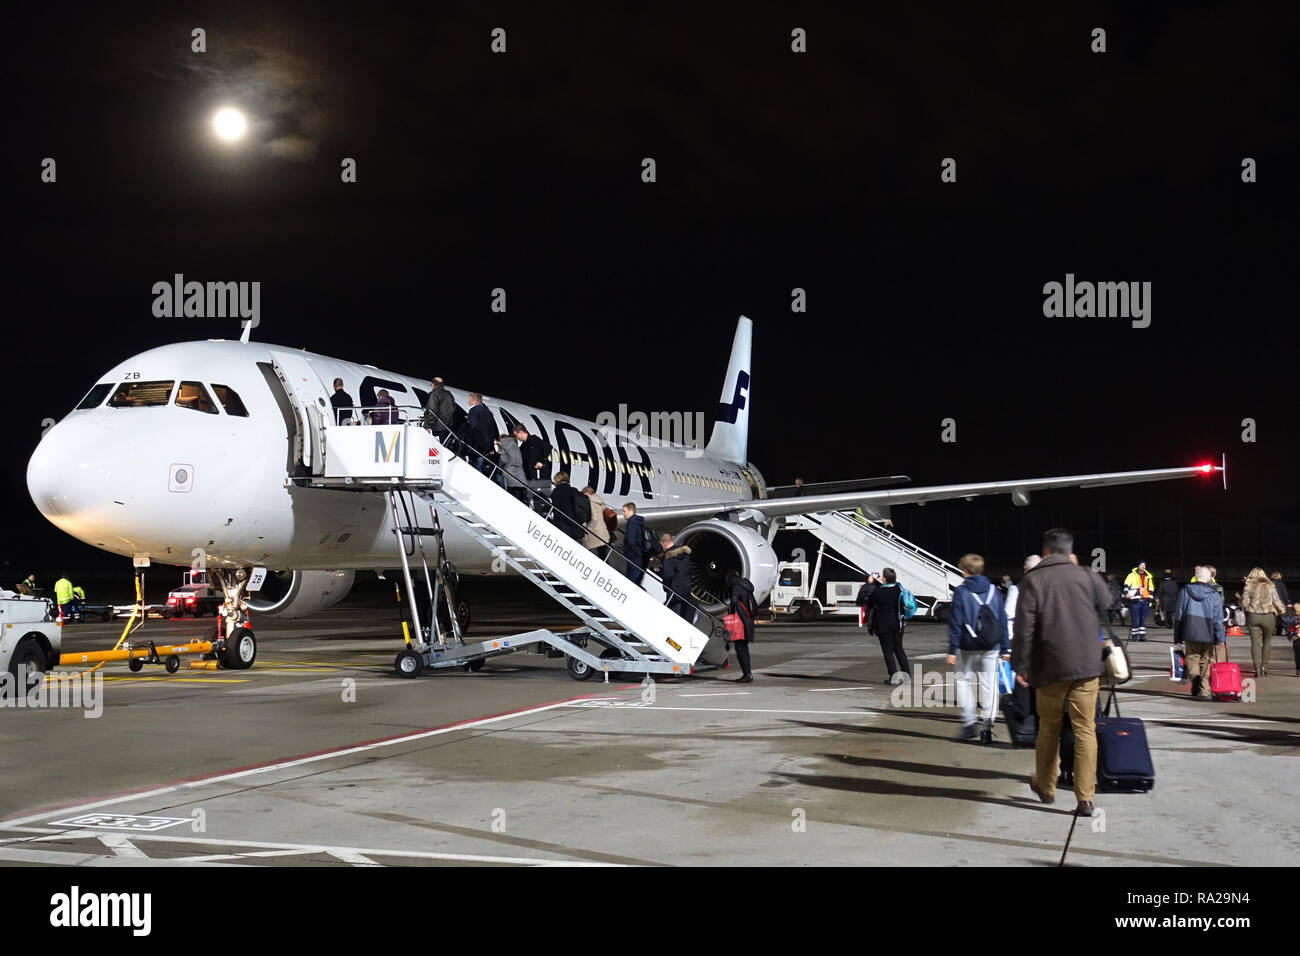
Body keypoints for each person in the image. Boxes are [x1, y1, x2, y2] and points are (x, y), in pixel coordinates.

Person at [1012, 528, 1110, 817]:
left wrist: (1021, 665)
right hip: (1087, 666)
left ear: (1045, 552)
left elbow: (1024, 628)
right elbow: (1106, 603)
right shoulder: (1086, 575)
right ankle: (1085, 798)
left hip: (1050, 667)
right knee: (1085, 730)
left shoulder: (1033, 580)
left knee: (1049, 728)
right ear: (1070, 551)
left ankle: (1046, 785)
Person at [947, 554, 1011, 741]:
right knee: (989, 685)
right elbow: (1003, 620)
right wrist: (1006, 648)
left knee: (963, 681)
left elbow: (956, 622)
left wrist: (952, 650)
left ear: (965, 570)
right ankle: (987, 728)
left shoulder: (961, 591)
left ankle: (969, 722)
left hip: (968, 645)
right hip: (991, 645)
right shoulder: (994, 590)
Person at [1175, 566, 1226, 698]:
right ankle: (1204, 688)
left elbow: (1179, 615)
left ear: (1197, 577)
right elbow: (1218, 619)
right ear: (1209, 578)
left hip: (1190, 629)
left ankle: (1195, 679)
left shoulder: (1185, 591)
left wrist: (1177, 637)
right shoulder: (1214, 594)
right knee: (1206, 660)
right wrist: (1220, 638)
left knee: (1192, 657)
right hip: (1208, 631)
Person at [1240, 566, 1286, 677]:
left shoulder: (1248, 586)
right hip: (1268, 616)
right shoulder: (1270, 586)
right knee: (1267, 642)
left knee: (1255, 643)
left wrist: (1244, 605)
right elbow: (1277, 601)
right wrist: (1282, 610)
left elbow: (1245, 603)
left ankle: (1257, 669)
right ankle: (1264, 667)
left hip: (1253, 616)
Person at [866, 567, 909, 683]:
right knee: (899, 649)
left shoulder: (878, 592)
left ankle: (893, 678)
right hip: (898, 623)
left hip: (883, 624)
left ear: (884, 578)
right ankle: (907, 676)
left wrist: (870, 584)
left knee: (888, 651)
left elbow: (869, 602)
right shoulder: (899, 590)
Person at [726, 568, 757, 682]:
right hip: (748, 620)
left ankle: (747, 675)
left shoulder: (736, 587)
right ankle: (748, 673)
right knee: (744, 648)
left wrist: (731, 611)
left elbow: (734, 601)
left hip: (740, 622)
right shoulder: (747, 587)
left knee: (740, 649)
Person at [660, 533, 694, 621]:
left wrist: (665, 587)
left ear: (664, 543)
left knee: (671, 618)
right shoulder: (685, 555)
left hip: (674, 593)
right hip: (686, 591)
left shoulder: (669, 557)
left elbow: (668, 575)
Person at [549, 473, 589, 540]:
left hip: (562, 528)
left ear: (557, 480)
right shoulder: (574, 491)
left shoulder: (556, 492)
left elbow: (555, 508)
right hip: (576, 528)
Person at [1123, 561, 1155, 641]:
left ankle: (1142, 636)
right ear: (1138, 566)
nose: (1143, 566)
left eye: (1144, 565)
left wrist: (1150, 600)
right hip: (1136, 600)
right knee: (1135, 618)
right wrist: (1126, 593)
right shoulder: (1131, 575)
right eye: (1141, 565)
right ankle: (1134, 636)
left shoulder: (1148, 576)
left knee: (1143, 619)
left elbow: (1151, 589)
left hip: (1145, 600)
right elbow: (1126, 585)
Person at [466, 393, 497, 475]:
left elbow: (473, 426)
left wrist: (468, 439)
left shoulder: (473, 411)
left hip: (478, 443)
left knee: (477, 466)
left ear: (474, 401)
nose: (468, 402)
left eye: (470, 400)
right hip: (488, 444)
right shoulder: (488, 412)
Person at [422, 377, 455, 441]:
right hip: (446, 426)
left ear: (433, 384)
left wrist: (428, 425)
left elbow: (432, 410)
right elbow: (453, 408)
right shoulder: (449, 394)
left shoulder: (434, 394)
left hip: (436, 427)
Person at [581, 486, 611, 557]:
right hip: (603, 533)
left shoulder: (591, 502)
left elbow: (594, 519)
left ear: (587, 493)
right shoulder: (599, 500)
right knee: (603, 557)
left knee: (595, 557)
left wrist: (586, 528)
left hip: (595, 534)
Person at [497, 432, 527, 502]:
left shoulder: (505, 446)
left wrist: (498, 452)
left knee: (513, 496)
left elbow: (504, 460)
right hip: (519, 476)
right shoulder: (514, 445)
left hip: (511, 475)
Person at [622, 502, 647, 587]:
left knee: (631, 580)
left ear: (630, 511)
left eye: (624, 511)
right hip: (637, 555)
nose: (623, 514)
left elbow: (631, 539)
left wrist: (630, 551)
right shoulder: (638, 522)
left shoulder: (632, 522)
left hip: (634, 555)